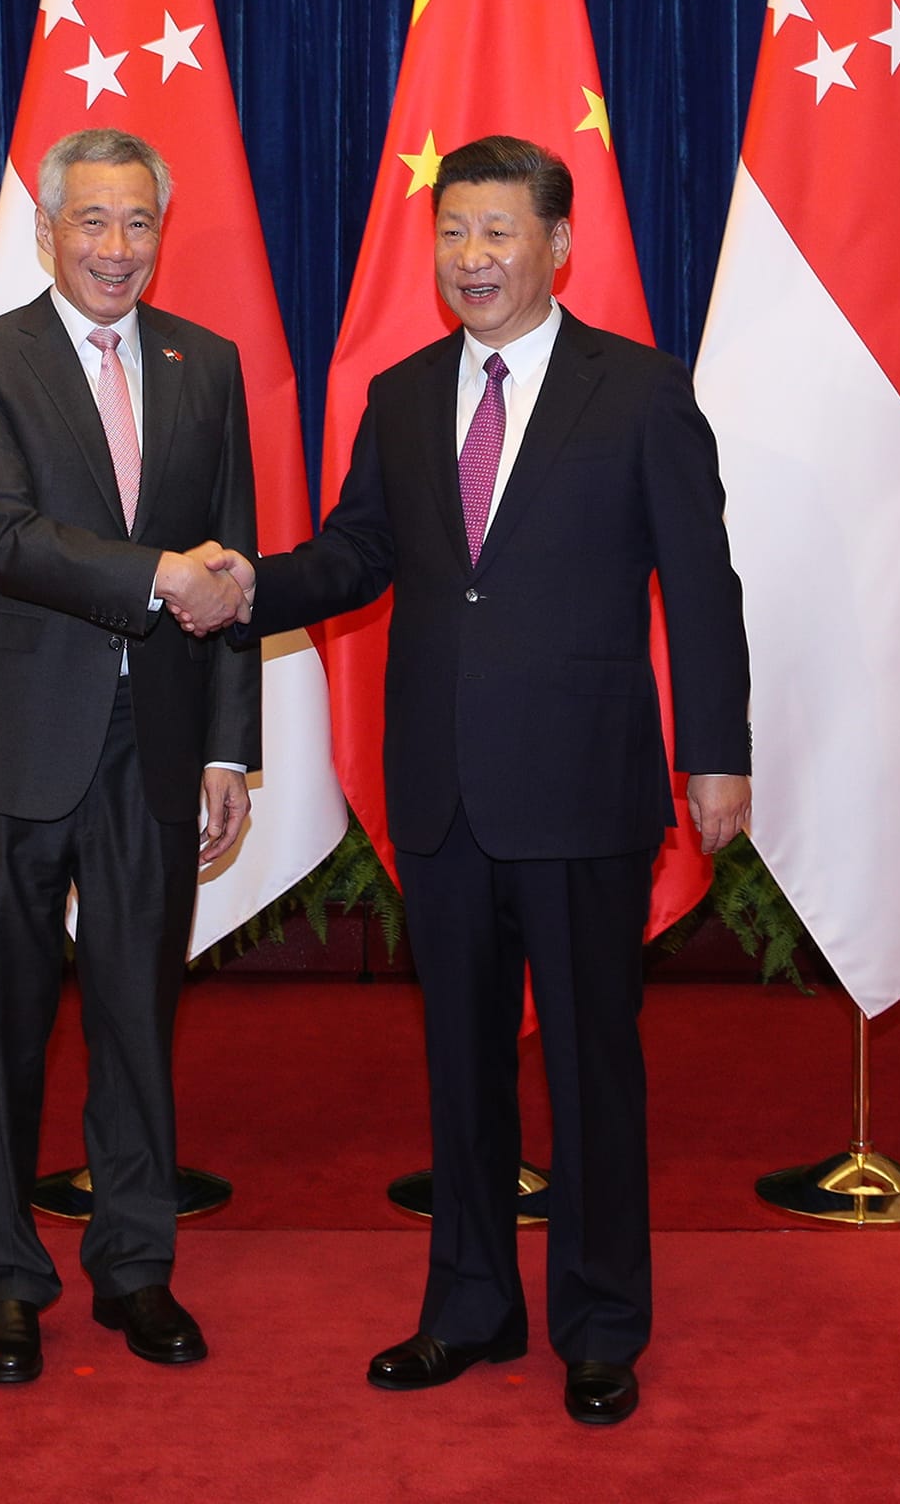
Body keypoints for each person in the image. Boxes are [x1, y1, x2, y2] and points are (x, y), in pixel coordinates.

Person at [206, 133, 751, 1428]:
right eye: (454, 233)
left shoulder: (638, 391)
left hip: (582, 795)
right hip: (443, 795)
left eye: (499, 233)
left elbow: (704, 583)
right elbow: (354, 558)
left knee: (590, 1067)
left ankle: (601, 1322)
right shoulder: (398, 395)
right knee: (459, 1068)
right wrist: (241, 588)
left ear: (559, 246)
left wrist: (716, 750)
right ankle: (469, 1306)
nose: (474, 258)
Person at [0, 126, 259, 1386]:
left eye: (137, 224)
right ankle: (9, 1277)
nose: (117, 248)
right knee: (4, 1028)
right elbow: (6, 535)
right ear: (48, 231)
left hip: (157, 749)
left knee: (136, 1017)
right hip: (17, 746)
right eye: (93, 223)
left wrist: (230, 749)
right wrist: (157, 576)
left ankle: (135, 1267)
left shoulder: (205, 364)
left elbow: (231, 556)